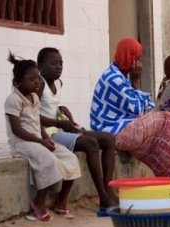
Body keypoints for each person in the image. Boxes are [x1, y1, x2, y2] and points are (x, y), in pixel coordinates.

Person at [90, 37, 170, 178]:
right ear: (129, 57)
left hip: (123, 128)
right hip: (114, 134)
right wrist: (137, 80)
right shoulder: (114, 78)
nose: (140, 63)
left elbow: (146, 107)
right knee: (165, 117)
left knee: (160, 136)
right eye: (137, 58)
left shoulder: (121, 76)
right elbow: (142, 110)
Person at [36, 47, 118, 210]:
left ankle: (108, 190)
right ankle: (102, 196)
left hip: (60, 128)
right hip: (50, 134)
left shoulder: (57, 84)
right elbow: (34, 116)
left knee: (109, 139)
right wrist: (59, 123)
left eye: (61, 63)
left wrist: (62, 111)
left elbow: (51, 106)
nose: (59, 67)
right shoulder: (39, 85)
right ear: (41, 65)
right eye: (53, 63)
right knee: (91, 144)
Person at [4, 52, 80, 221]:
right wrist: (41, 141)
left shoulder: (34, 97)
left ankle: (61, 202)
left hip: (38, 139)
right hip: (22, 142)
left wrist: (47, 139)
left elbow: (37, 123)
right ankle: (38, 202)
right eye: (32, 79)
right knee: (48, 160)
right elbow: (17, 130)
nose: (37, 82)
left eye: (38, 78)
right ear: (18, 82)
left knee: (70, 158)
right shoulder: (13, 100)